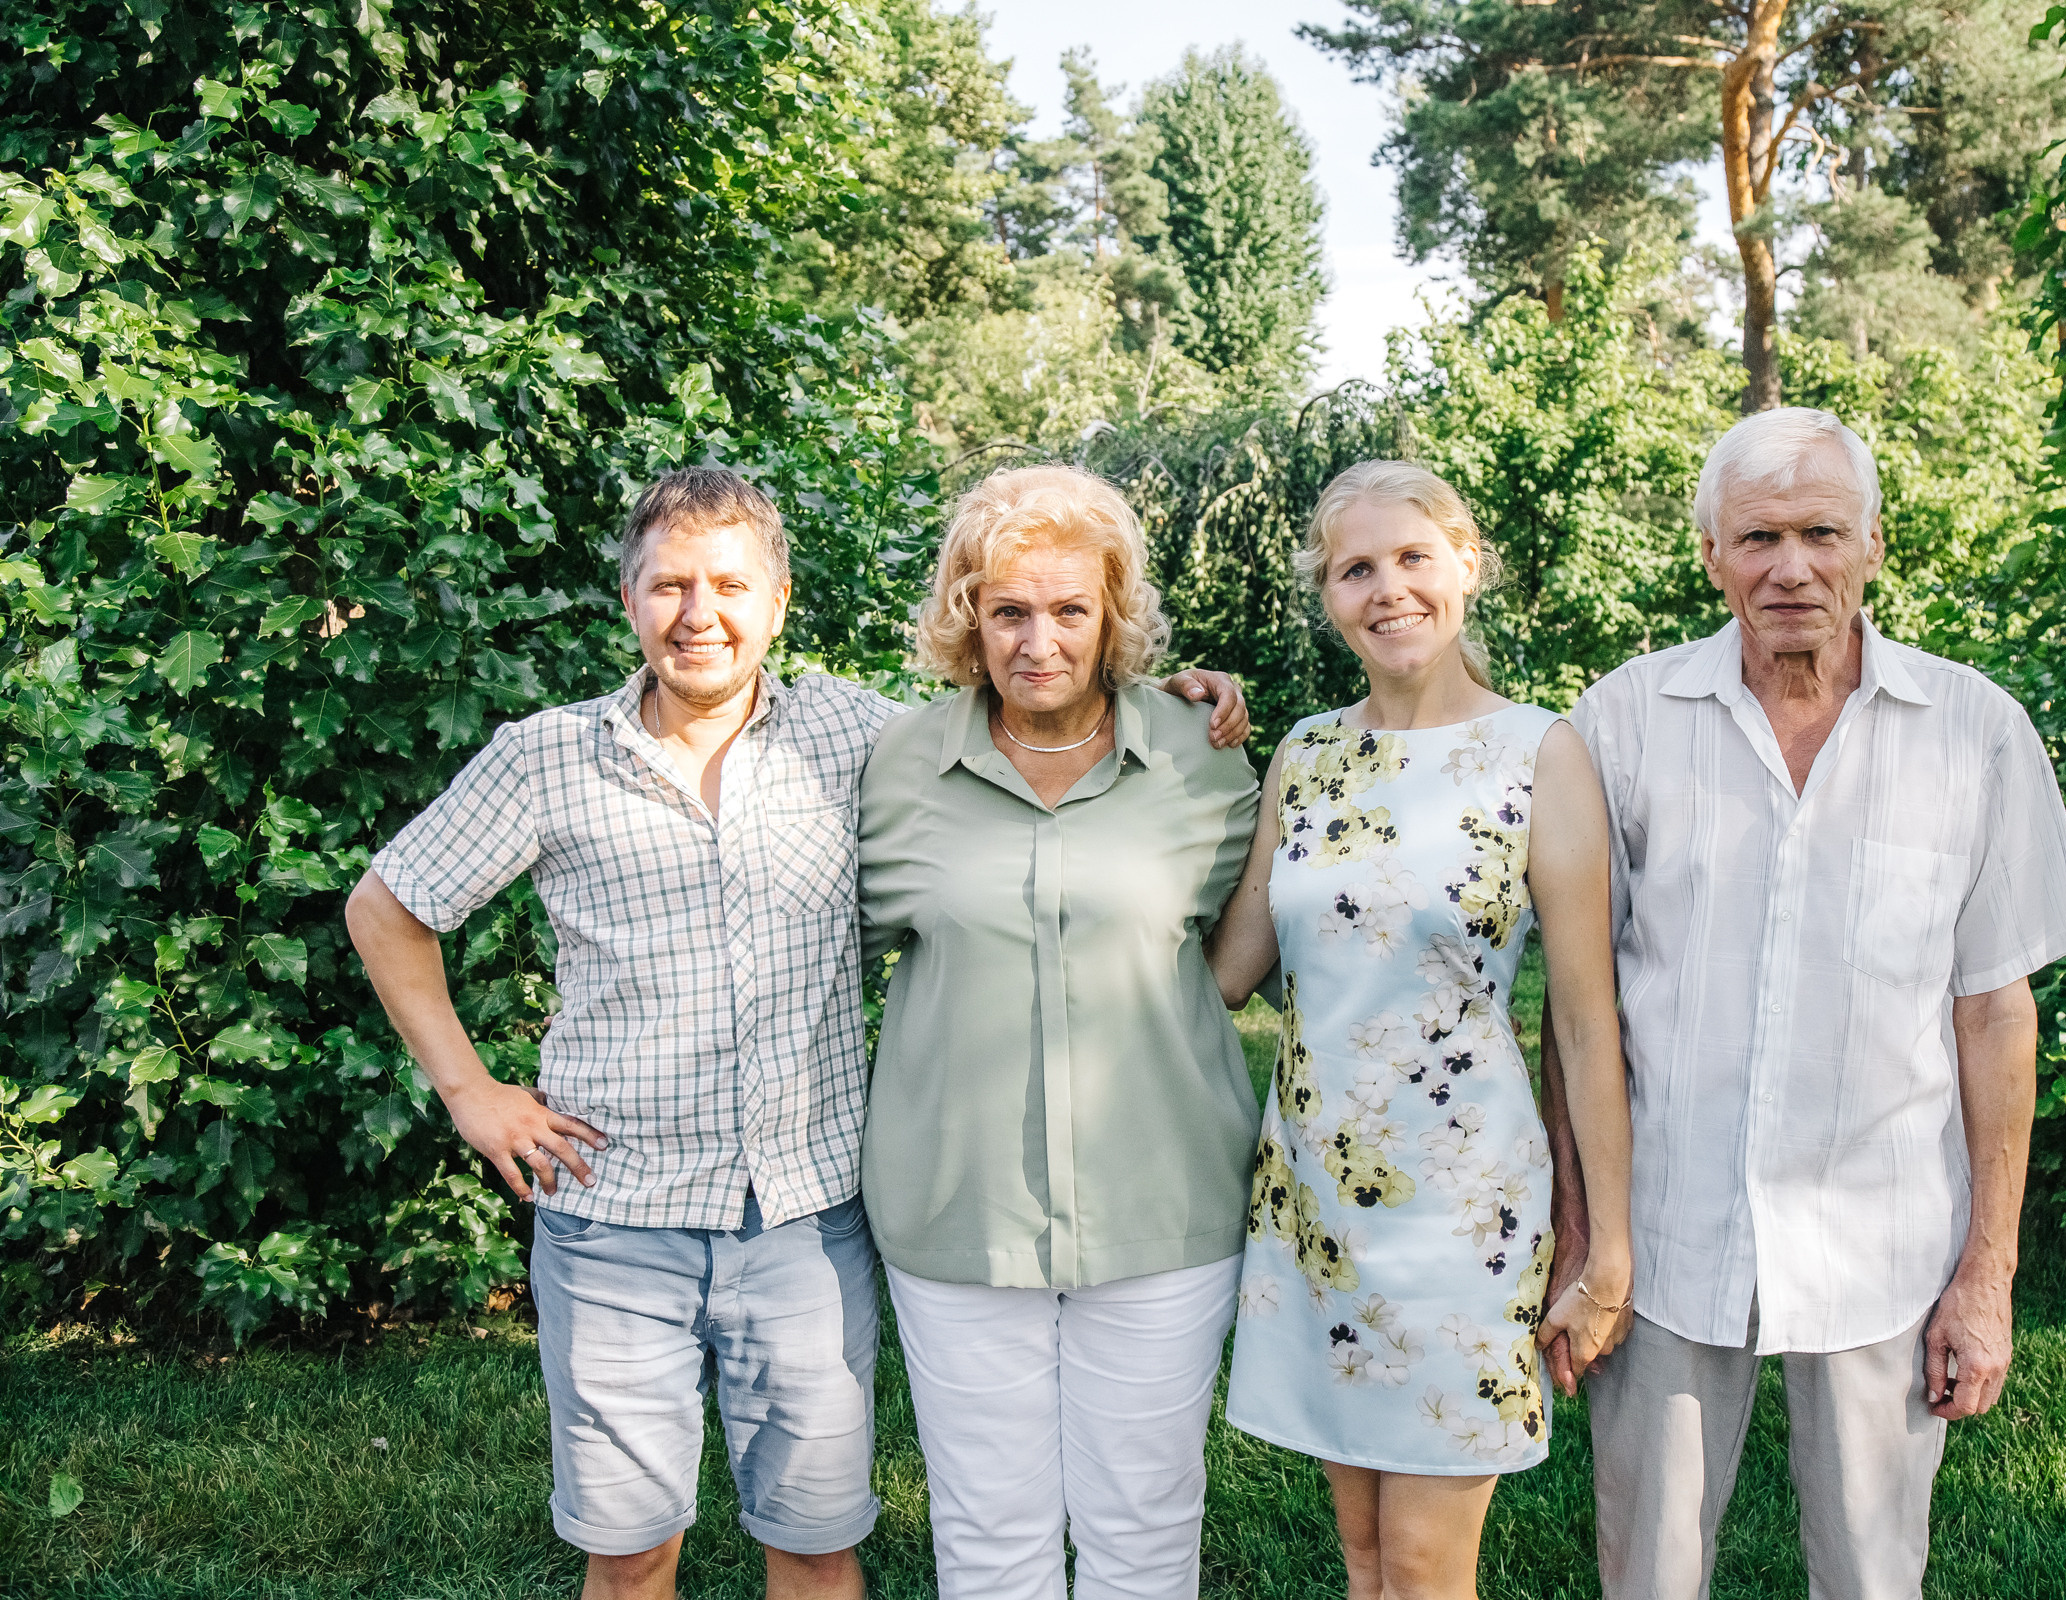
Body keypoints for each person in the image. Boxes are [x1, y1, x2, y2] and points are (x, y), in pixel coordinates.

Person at [344, 467, 1247, 1600]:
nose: (698, 612)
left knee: (818, 1546)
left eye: (729, 583)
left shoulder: (858, 736)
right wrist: (474, 1093)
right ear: (628, 601)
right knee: (629, 1555)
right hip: (619, 1212)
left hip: (803, 1218)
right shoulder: (552, 755)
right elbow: (385, 908)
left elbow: (1042, 704)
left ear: (777, 601)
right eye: (669, 584)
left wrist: (1163, 691)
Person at [1541, 407, 2066, 1600]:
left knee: (1870, 1577)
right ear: (1710, 556)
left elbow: (1996, 1015)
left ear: (1873, 546)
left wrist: (1986, 1277)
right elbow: (1576, 1003)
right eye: (1756, 537)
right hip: (1670, 1240)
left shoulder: (1976, 733)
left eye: (1819, 533)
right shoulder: (1622, 722)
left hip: (1884, 1245)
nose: (1789, 566)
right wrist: (1582, 1232)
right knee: (1646, 1576)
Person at [1206, 460, 1637, 1600]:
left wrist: (1612, 1247)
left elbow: (1587, 1024)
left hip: (1464, 1213)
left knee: (1426, 1568)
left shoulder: (1540, 753)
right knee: (1362, 1561)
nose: (1388, 589)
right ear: (1329, 593)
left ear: (1465, 567)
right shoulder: (1303, 756)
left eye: (1412, 558)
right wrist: (1153, 726)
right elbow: (1228, 973)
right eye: (1357, 568)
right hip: (1314, 1204)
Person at [855, 464, 1261, 1600]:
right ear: (967, 619)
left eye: (1072, 610)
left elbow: (1251, 948)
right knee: (988, 1533)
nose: (1041, 640)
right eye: (1010, 611)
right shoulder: (893, 766)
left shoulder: (1202, 756)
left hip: (1164, 1209)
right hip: (957, 1210)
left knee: (1144, 1525)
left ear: (1112, 618)